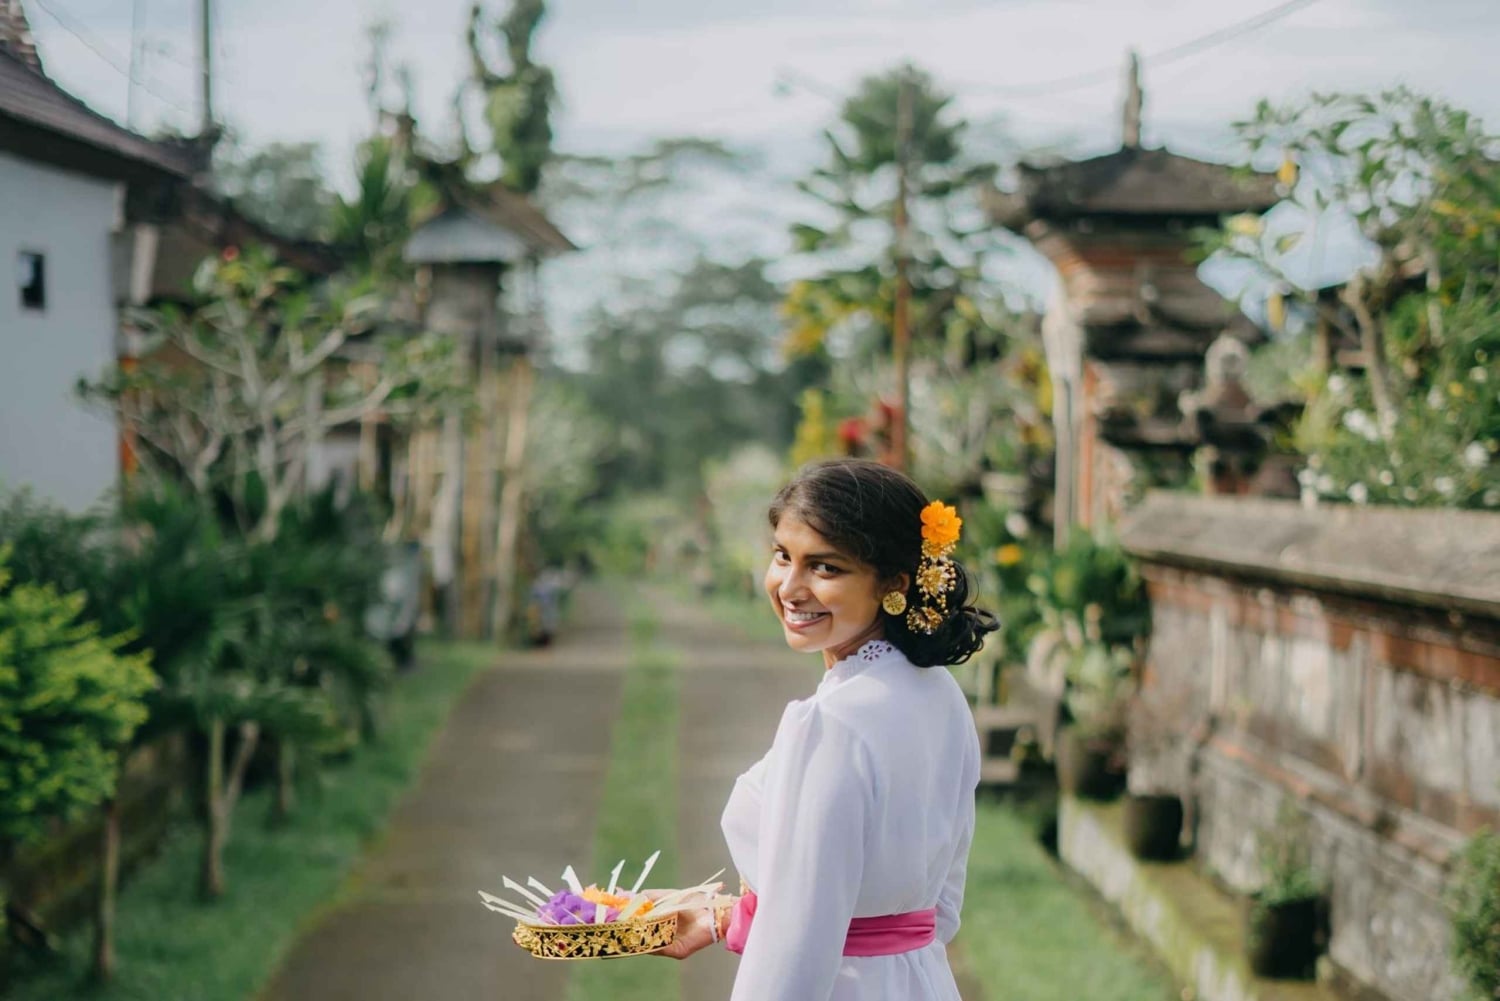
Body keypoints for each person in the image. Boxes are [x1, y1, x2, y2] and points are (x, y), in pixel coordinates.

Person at [656, 458, 998, 1001]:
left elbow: (794, 953)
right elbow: (940, 909)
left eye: (826, 568)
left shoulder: (831, 725)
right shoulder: (940, 695)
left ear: (894, 583)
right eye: (782, 556)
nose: (790, 588)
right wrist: (726, 916)